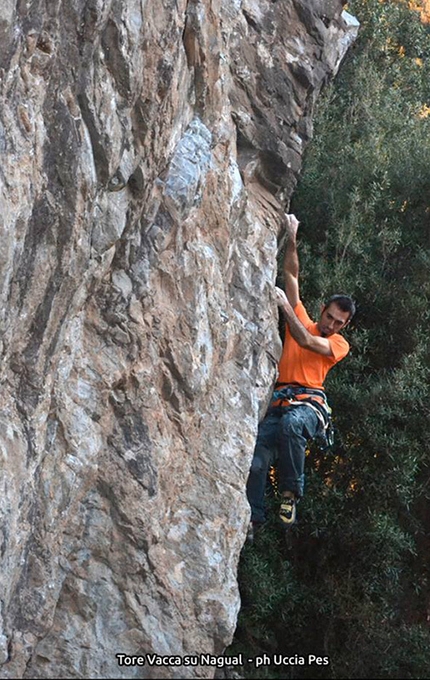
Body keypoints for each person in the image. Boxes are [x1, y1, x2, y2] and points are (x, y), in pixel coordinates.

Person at [246, 214, 356, 536]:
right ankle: (253, 518)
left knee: (295, 425)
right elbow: (291, 274)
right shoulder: (305, 319)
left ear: (344, 327)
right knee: (254, 458)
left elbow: (307, 340)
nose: (331, 325)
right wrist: (292, 237)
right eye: (330, 317)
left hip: (308, 405)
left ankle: (291, 493)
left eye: (339, 323)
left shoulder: (337, 344)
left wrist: (284, 307)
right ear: (322, 309)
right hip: (279, 402)